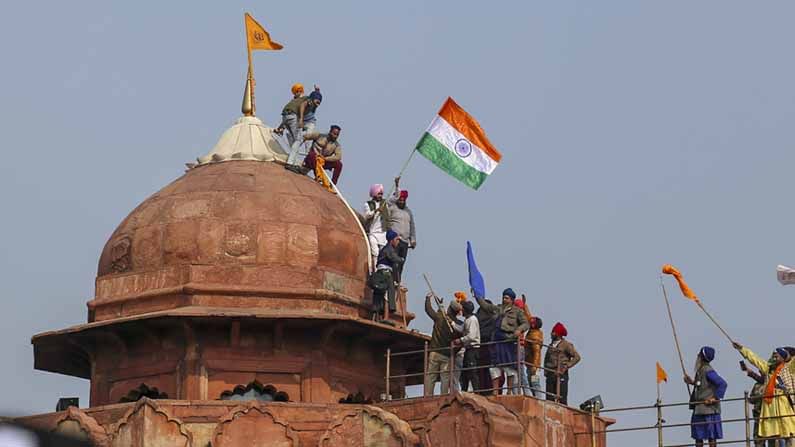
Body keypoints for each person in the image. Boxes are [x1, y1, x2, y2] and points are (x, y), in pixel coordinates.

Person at [734, 342, 795, 446]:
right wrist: (742, 349)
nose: (774, 358)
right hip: (770, 405)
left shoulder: (788, 368)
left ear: (783, 357)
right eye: (774, 356)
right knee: (772, 432)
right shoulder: (768, 368)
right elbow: (755, 359)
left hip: (783, 404)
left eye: (777, 356)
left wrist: (789, 355)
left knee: (788, 430)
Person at [475, 288, 530, 395]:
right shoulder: (497, 308)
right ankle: (495, 390)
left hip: (509, 341)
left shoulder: (517, 311)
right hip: (496, 340)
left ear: (512, 300)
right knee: (494, 368)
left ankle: (509, 391)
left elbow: (526, 323)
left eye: (507, 298)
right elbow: (485, 306)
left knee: (510, 368)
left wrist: (519, 330)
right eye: (503, 297)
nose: (504, 299)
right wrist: (477, 296)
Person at [684, 346, 727, 447]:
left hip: (709, 410)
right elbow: (702, 385)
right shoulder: (701, 370)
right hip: (699, 409)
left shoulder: (708, 370)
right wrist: (691, 382)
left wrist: (714, 399)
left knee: (711, 437)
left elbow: (722, 384)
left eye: (699, 354)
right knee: (698, 437)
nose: (697, 356)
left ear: (702, 357)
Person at [424, 294, 461, 396]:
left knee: (431, 376)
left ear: (449, 308)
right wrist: (453, 352)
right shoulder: (457, 324)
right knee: (445, 378)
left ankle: (428, 396)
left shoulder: (440, 317)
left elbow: (428, 310)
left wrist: (428, 299)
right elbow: (461, 342)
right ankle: (444, 397)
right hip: (446, 354)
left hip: (434, 351)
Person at [276, 86, 322, 167]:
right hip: (293, 116)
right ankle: (290, 162)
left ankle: (293, 158)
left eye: (319, 102)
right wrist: (300, 119)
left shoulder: (297, 100)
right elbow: (302, 106)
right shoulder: (309, 101)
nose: (318, 103)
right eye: (317, 101)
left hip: (286, 116)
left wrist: (280, 127)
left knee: (296, 140)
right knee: (298, 140)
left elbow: (287, 116)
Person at [386, 177, 416, 284]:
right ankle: (391, 280)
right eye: (400, 199)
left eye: (403, 200)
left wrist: (413, 240)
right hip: (395, 240)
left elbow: (412, 226)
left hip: (405, 242)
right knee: (394, 261)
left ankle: (397, 281)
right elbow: (387, 220)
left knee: (401, 262)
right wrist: (397, 184)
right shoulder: (392, 208)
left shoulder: (408, 212)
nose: (402, 201)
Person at [369, 230, 403, 321]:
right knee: (387, 295)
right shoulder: (389, 249)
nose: (398, 242)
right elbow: (394, 258)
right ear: (391, 240)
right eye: (397, 240)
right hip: (385, 274)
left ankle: (377, 316)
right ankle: (385, 317)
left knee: (379, 294)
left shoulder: (385, 249)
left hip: (381, 273)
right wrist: (401, 259)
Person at [544, 322, 580, 405]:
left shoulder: (566, 345)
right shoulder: (551, 345)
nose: (551, 333)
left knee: (562, 398)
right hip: (550, 373)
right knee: (549, 398)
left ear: (558, 334)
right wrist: (545, 371)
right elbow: (546, 358)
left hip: (561, 373)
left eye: (554, 332)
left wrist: (566, 366)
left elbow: (577, 357)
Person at [454, 300, 481, 393]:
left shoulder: (472, 319)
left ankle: (477, 391)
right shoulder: (467, 319)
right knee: (465, 371)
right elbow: (461, 329)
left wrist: (460, 340)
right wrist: (452, 323)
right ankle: (464, 390)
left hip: (473, 349)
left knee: (472, 371)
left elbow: (471, 336)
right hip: (468, 349)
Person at [741, 359, 767, 447]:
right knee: (758, 440)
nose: (761, 374)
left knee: (772, 439)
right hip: (758, 416)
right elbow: (752, 399)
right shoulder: (757, 385)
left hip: (768, 417)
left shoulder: (771, 385)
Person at [475, 297, 497, 395]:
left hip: (478, 348)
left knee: (480, 373)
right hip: (490, 348)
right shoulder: (494, 318)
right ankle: (492, 391)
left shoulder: (477, 317)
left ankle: (481, 391)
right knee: (492, 372)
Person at [363, 184, 388, 269]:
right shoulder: (368, 204)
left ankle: (381, 269)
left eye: (381, 194)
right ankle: (374, 269)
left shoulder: (384, 203)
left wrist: (396, 185)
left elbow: (395, 198)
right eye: (379, 194)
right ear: (374, 194)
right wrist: (375, 211)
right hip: (372, 232)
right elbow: (367, 215)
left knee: (382, 253)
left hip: (382, 232)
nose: (380, 196)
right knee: (375, 252)